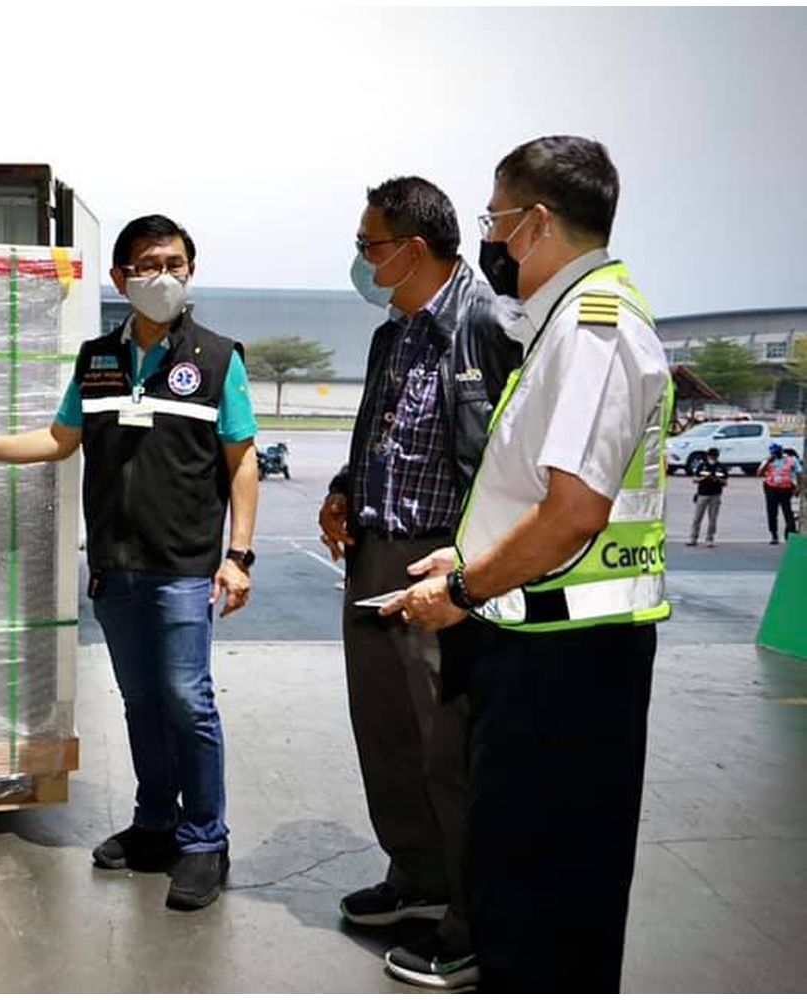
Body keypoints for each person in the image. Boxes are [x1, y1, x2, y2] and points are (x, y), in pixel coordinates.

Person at [386, 136, 673, 992]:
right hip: (550, 645)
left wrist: (464, 589)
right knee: (519, 868)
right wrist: (467, 552)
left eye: (497, 220)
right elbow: (535, 493)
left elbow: (574, 511)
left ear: (538, 221)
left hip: (570, 661)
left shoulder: (593, 330)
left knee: (550, 888)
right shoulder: (562, 324)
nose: (494, 240)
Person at [0, 215, 258, 911]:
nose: (166, 276)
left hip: (185, 568)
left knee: (188, 702)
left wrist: (238, 555)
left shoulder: (218, 358)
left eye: (178, 263)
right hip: (116, 567)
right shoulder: (97, 358)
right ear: (120, 277)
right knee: (141, 705)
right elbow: (59, 438)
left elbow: (241, 458)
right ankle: (156, 822)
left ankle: (203, 841)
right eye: (150, 264)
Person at [318, 176, 519, 990]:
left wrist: (477, 571)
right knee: (387, 731)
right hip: (377, 551)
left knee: (451, 749)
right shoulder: (393, 331)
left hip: (450, 561)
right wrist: (342, 486)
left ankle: (472, 921)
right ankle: (418, 878)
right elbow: (385, 430)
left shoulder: (490, 327)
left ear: (411, 248)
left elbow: (513, 460)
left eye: (370, 245)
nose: (363, 261)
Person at [687, 446, 728, 546]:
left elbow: (725, 482)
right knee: (697, 518)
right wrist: (704, 478)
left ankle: (710, 538)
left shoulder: (721, 467)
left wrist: (717, 479)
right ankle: (693, 538)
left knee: (712, 518)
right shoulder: (702, 466)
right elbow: (694, 479)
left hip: (715, 495)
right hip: (702, 494)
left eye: (714, 456)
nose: (712, 458)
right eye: (711, 456)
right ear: (708, 456)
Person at [760, 443, 800, 542]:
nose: (775, 455)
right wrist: (767, 462)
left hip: (786, 489)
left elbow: (799, 472)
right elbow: (759, 473)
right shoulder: (768, 460)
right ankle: (774, 535)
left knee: (787, 512)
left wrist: (798, 487)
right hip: (771, 488)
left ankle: (791, 534)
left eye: (777, 453)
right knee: (772, 513)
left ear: (781, 451)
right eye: (773, 453)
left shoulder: (791, 460)